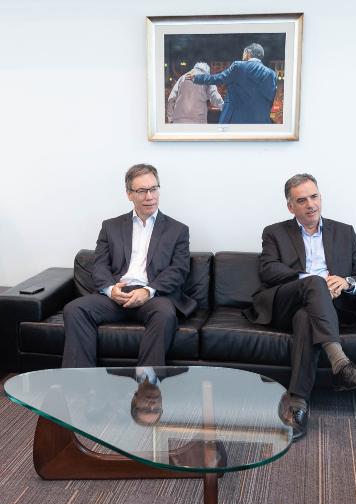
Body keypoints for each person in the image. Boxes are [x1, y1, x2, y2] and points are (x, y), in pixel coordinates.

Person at [245, 173, 356, 440]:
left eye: (314, 196)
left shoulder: (344, 232)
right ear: (290, 206)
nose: (310, 205)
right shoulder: (274, 232)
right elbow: (269, 270)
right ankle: (341, 365)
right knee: (315, 283)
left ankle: (298, 405)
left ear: (321, 197)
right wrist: (313, 281)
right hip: (285, 301)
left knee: (306, 318)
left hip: (325, 310)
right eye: (302, 200)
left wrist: (345, 281)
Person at [62, 164, 195, 368]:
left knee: (165, 314)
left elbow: (178, 270)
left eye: (153, 189)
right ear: (129, 194)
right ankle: (81, 388)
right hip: (117, 295)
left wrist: (147, 291)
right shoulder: (111, 226)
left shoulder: (177, 230)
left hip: (153, 296)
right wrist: (110, 290)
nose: (149, 196)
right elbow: (99, 265)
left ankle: (146, 386)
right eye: (141, 191)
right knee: (75, 309)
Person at [186, 43, 277, 124]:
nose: (243, 55)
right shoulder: (272, 74)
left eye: (244, 52)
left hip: (236, 120)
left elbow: (217, 78)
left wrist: (196, 77)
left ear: (249, 52)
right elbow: (270, 99)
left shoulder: (238, 66)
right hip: (261, 121)